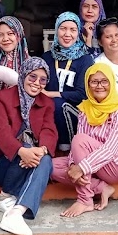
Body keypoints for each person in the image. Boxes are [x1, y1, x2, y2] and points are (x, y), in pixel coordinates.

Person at [50, 63, 118, 217]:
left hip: (117, 165)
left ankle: (85, 199)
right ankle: (101, 187)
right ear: (88, 84)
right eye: (94, 82)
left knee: (80, 140)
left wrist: (81, 168)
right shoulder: (86, 108)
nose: (99, 86)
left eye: (104, 81)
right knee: (50, 167)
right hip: (93, 164)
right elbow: (78, 147)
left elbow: (111, 149)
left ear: (111, 83)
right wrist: (73, 165)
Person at [0, 57, 57, 235]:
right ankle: (5, 195)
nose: (37, 83)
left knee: (46, 158)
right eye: (33, 77)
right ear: (24, 74)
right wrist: (22, 151)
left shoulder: (47, 102)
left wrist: (41, 150)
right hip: (4, 165)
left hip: (32, 163)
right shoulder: (2, 97)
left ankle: (17, 212)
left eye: (43, 80)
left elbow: (49, 130)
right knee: (27, 145)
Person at [40, 12, 95, 151]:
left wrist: (50, 94)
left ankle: (66, 147)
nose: (67, 34)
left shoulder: (85, 59)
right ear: (56, 30)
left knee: (58, 103)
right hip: (49, 111)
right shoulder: (46, 57)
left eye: (73, 30)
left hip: (75, 113)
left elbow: (82, 95)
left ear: (78, 33)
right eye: (63, 28)